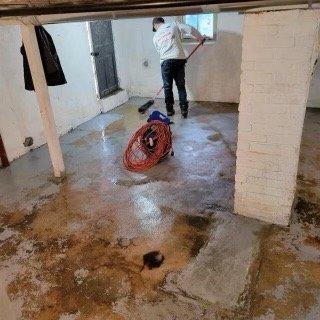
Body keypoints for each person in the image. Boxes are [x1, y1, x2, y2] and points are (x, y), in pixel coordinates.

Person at [152, 17, 205, 118]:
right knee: (181, 86)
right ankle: (184, 109)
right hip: (178, 60)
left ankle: (169, 110)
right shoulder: (174, 24)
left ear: (155, 25)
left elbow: (159, 52)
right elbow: (189, 29)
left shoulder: (155, 37)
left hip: (165, 62)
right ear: (162, 22)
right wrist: (200, 37)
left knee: (167, 86)